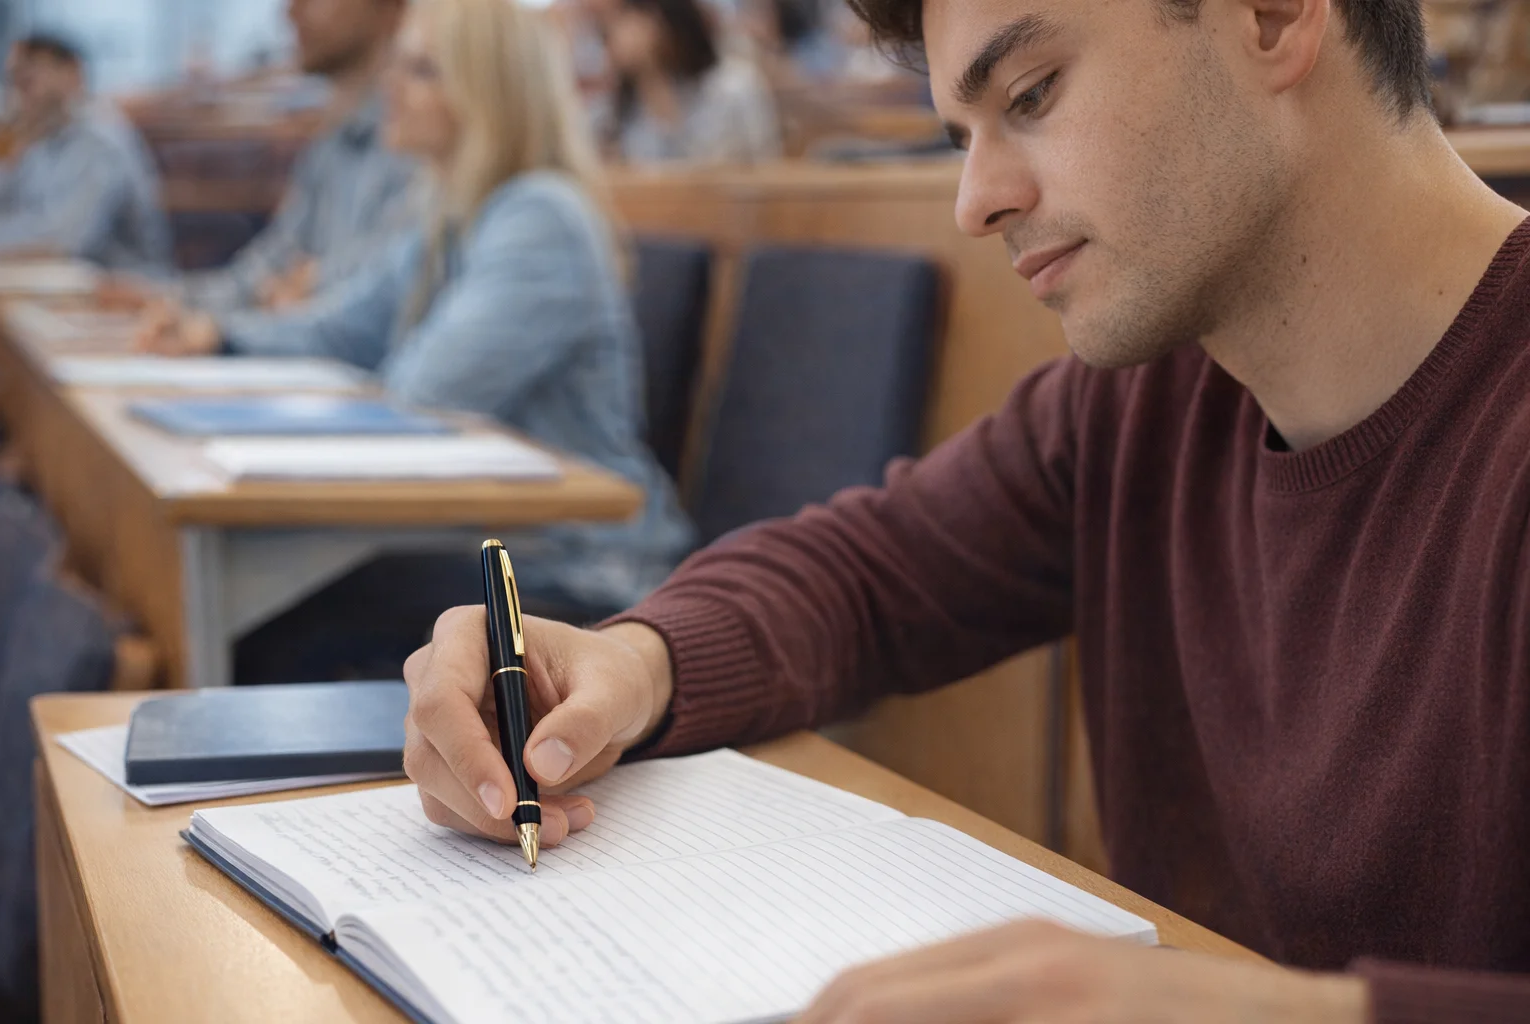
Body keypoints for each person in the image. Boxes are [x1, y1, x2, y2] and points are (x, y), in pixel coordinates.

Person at [402, 0, 1530, 1018]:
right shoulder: (1147, 399)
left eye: (1031, 96)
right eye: (962, 135)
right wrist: (630, 663)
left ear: (1275, 17)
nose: (976, 200)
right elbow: (868, 573)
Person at [137, 0, 692, 633]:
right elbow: (343, 329)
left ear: (486, 93)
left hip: (585, 567)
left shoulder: (541, 216)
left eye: (422, 70)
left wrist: (335, 358)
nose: (390, 88)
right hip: (491, 542)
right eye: (398, 65)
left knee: (291, 621)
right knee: (266, 606)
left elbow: (424, 395)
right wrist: (220, 334)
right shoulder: (451, 212)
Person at [163, 0, 417, 314]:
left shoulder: (418, 140)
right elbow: (271, 267)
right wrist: (169, 299)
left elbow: (388, 287)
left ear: (392, 9)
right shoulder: (332, 139)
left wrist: (313, 285)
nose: (291, 12)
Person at [0, 34, 170, 272]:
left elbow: (66, 242)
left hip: (124, 289)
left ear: (72, 73)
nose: (17, 97)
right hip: (57, 287)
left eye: (27, 81)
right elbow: (9, 209)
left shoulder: (100, 140)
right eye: (12, 83)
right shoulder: (42, 139)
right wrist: (10, 156)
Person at [598, 0, 782, 164]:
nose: (612, 34)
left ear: (659, 20)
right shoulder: (619, 108)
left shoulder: (735, 88)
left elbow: (765, 167)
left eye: (623, 19)